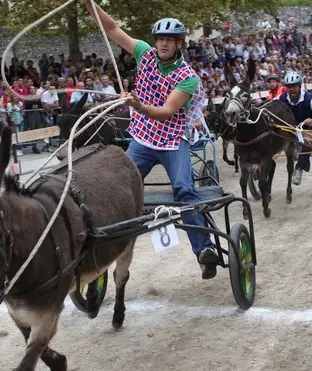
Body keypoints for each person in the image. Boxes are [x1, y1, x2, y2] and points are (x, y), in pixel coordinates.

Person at [83, 2, 220, 279]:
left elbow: (168, 111)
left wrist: (138, 104)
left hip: (172, 140)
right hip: (143, 138)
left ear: (179, 44)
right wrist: (90, 3)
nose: (163, 44)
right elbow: (111, 28)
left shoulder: (188, 78)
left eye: (170, 40)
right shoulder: (144, 52)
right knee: (114, 187)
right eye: (161, 39)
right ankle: (99, 249)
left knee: (184, 189)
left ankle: (204, 250)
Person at [277, 71, 312, 185]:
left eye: (294, 86)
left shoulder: (310, 99)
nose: (291, 89)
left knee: (306, 142)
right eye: (289, 87)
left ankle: (299, 169)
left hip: (306, 129)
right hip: (288, 130)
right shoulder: (281, 99)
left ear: (299, 85)